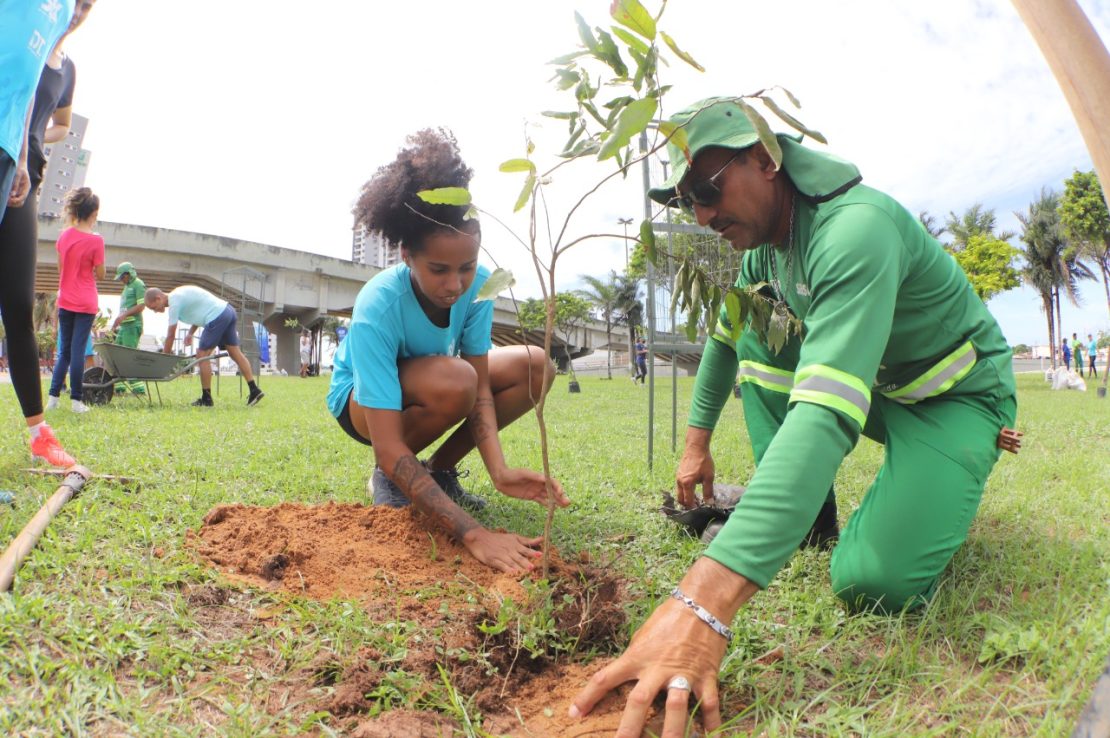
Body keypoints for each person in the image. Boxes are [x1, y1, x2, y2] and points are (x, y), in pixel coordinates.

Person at [569, 97, 1019, 734]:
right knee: (758, 335)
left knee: (872, 582)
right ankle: (804, 512)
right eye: (683, 201)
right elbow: (727, 343)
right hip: (880, 391)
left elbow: (827, 411)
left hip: (954, 400)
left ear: (765, 159)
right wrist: (695, 444)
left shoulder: (855, 229)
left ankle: (945, 473)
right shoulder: (765, 256)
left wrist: (703, 601)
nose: (699, 213)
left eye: (705, 188)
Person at [325, 128, 569, 575]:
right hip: (362, 405)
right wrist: (473, 534)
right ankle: (392, 480)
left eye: (466, 267)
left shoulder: (478, 289)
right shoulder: (377, 307)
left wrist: (500, 471)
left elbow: (481, 393)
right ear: (406, 256)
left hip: (439, 383)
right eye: (438, 270)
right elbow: (388, 444)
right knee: (456, 380)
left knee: (534, 365)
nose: (454, 284)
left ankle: (437, 472)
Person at [0, 0, 88, 464]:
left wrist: (32, 141)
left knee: (17, 301)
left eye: (88, 6)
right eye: (77, 3)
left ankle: (39, 432)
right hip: (7, 152)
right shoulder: (19, 28)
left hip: (23, 171)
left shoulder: (66, 68)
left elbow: (62, 126)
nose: (80, 10)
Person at [143, 286, 264, 407]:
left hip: (217, 316)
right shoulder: (179, 295)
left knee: (202, 356)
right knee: (235, 352)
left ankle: (207, 399)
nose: (155, 311)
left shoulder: (174, 302)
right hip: (228, 311)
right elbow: (200, 310)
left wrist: (164, 360)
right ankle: (254, 390)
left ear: (158, 298)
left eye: (153, 307)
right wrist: (190, 333)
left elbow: (170, 335)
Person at [46, 187, 103, 414]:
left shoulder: (64, 236)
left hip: (66, 300)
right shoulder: (96, 241)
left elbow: (62, 271)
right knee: (79, 352)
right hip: (86, 301)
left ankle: (52, 399)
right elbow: (100, 274)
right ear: (93, 214)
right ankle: (77, 401)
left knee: (65, 352)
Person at [109, 262, 147, 394]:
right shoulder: (126, 288)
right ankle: (119, 388)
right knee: (117, 356)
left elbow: (142, 306)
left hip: (132, 326)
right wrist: (117, 322)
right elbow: (124, 308)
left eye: (122, 277)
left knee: (129, 357)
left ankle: (139, 389)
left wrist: (124, 315)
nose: (121, 280)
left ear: (129, 274)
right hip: (124, 327)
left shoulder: (138, 284)